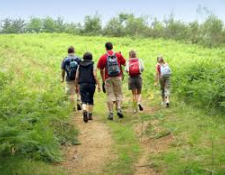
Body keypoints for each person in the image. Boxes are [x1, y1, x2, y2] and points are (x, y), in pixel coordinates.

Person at [97, 42, 126, 120]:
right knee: (119, 93)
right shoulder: (118, 55)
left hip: (108, 78)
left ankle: (111, 112)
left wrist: (103, 80)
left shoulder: (103, 57)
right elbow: (125, 63)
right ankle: (119, 109)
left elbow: (100, 69)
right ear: (112, 47)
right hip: (118, 77)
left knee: (110, 95)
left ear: (105, 48)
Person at [75, 52, 101, 123]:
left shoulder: (79, 65)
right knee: (90, 99)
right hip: (91, 84)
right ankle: (90, 115)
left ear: (83, 57)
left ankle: (84, 111)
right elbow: (95, 75)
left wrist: (76, 86)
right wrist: (99, 85)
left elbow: (77, 76)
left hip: (82, 84)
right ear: (91, 57)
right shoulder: (93, 64)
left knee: (83, 100)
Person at [61, 46, 82, 111]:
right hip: (78, 78)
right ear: (74, 51)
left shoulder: (65, 59)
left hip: (69, 78)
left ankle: (73, 107)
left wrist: (62, 78)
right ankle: (78, 101)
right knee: (78, 91)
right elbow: (82, 68)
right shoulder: (78, 58)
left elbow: (63, 70)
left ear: (68, 52)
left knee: (71, 93)